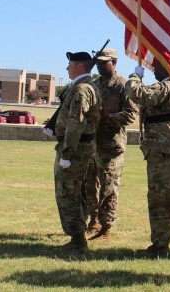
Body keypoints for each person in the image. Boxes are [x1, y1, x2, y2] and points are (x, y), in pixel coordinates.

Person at [125, 60, 170, 258]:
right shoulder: (169, 87)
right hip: (160, 150)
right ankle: (159, 242)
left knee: (163, 199)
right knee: (157, 198)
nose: (153, 69)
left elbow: (138, 94)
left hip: (165, 152)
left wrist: (135, 77)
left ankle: (161, 245)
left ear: (168, 69)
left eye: (157, 66)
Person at [51, 51, 101, 254]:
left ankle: (78, 239)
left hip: (76, 149)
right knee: (73, 191)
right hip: (79, 148)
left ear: (80, 66)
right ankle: (77, 237)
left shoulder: (82, 89)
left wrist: (66, 154)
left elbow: (76, 123)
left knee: (68, 192)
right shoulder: (87, 86)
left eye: (70, 64)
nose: (67, 68)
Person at [85, 48, 138, 240]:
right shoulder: (93, 84)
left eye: (104, 62)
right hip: (92, 143)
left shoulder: (123, 85)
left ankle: (106, 226)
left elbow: (131, 114)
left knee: (109, 187)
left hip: (111, 144)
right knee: (90, 184)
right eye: (97, 62)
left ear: (114, 63)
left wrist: (108, 117)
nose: (100, 65)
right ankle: (93, 220)